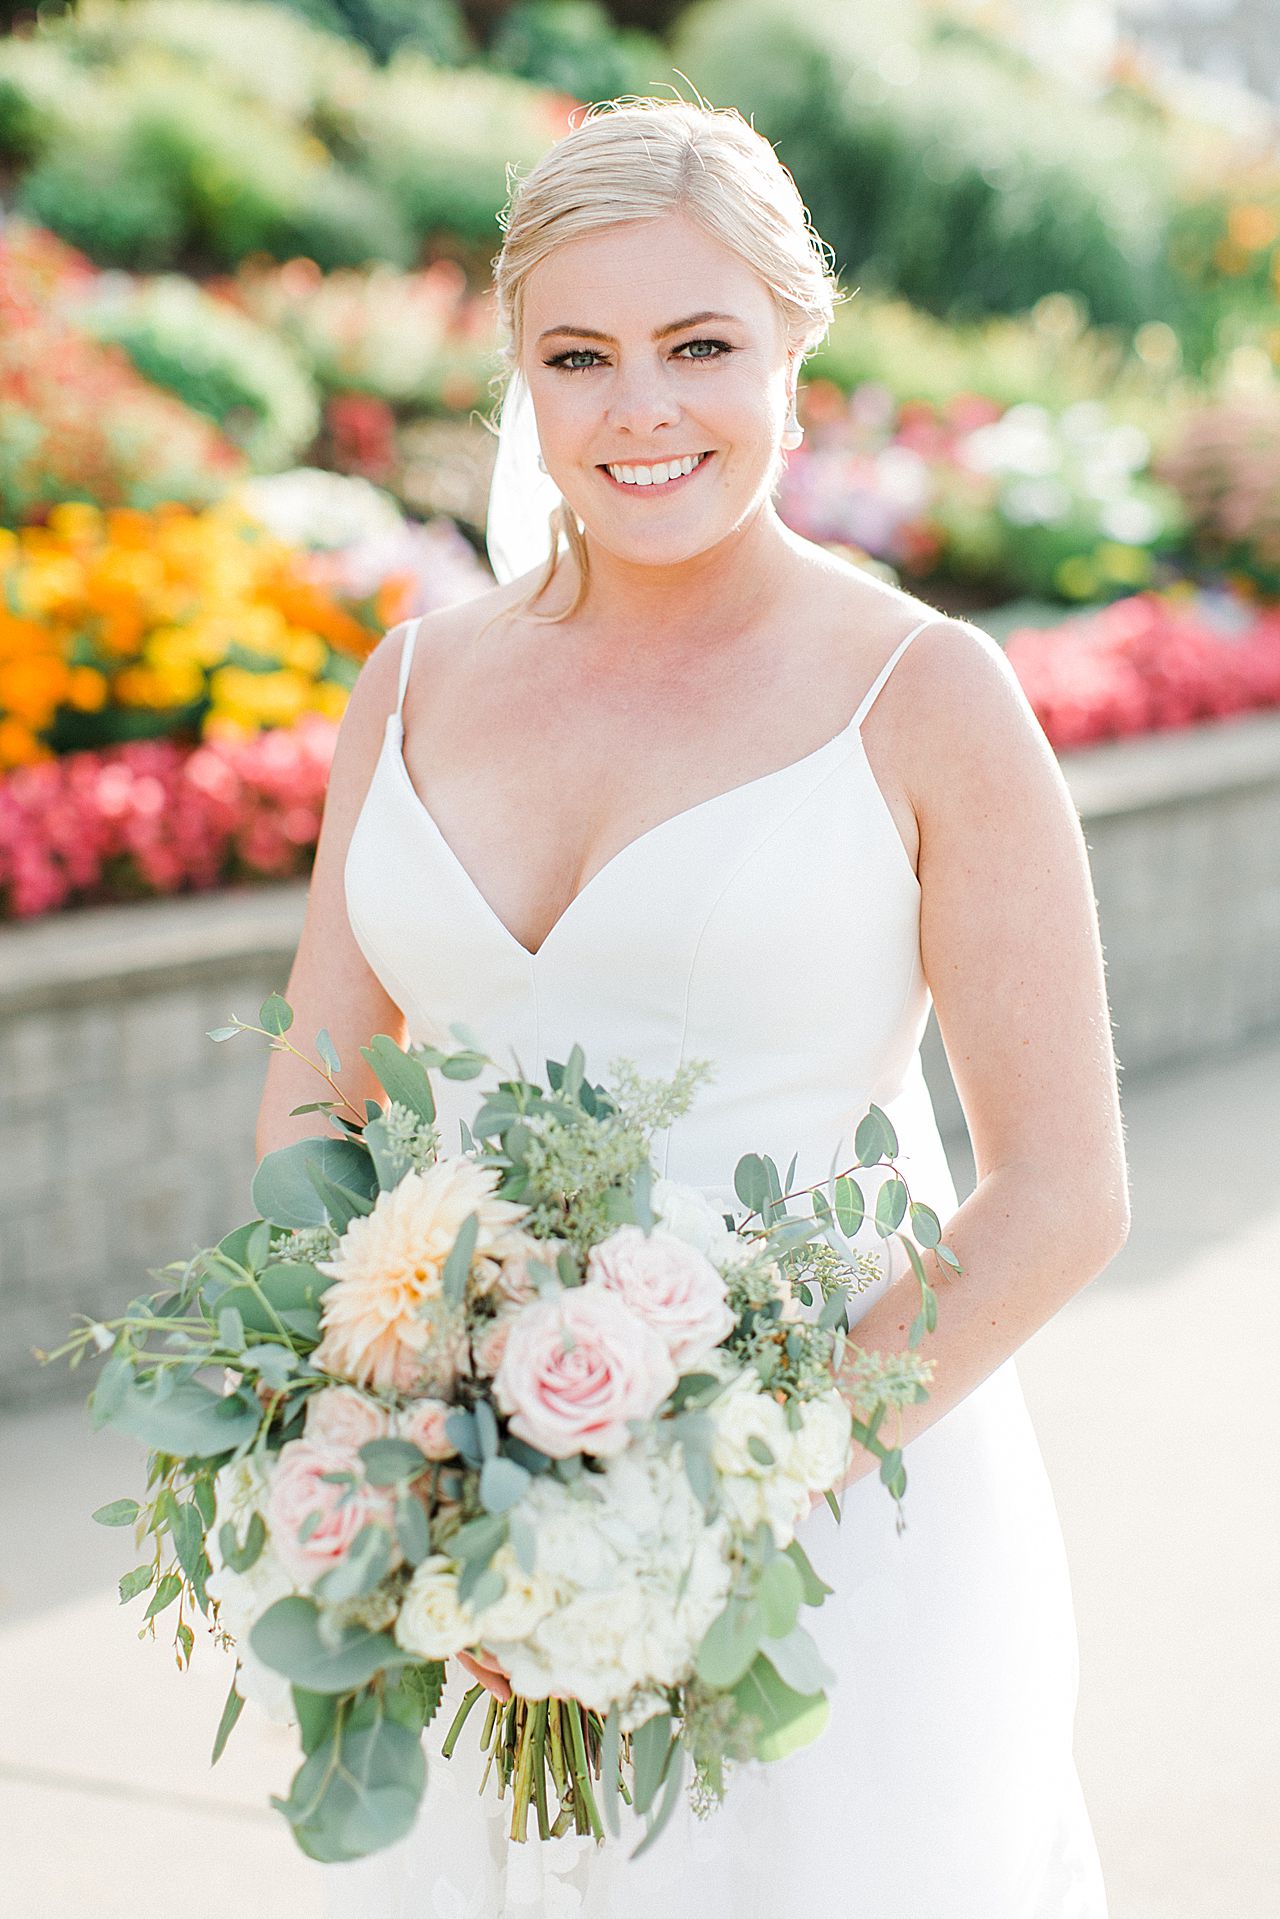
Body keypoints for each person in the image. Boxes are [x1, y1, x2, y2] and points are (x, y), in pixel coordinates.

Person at [257, 94, 1129, 1919]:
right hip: (463, 1540)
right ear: (519, 378)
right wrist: (398, 1454)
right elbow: (321, 1122)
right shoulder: (410, 681)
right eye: (578, 355)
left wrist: (694, 1510)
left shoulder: (928, 695)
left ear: (794, 348)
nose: (638, 408)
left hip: (829, 1545)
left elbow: (1060, 1192)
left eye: (698, 345)